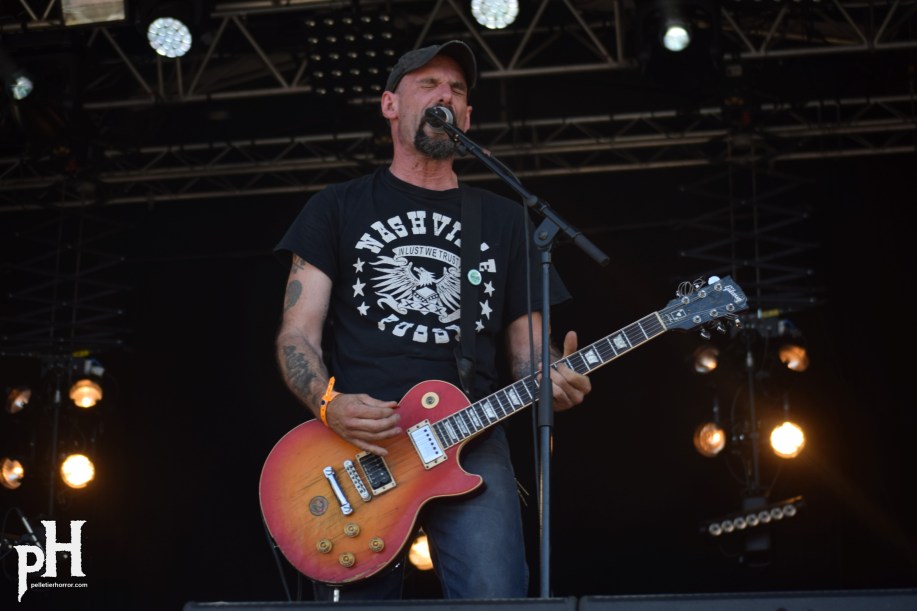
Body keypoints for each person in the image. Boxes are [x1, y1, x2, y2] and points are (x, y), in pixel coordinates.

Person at [274, 39, 592, 601]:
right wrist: (329, 404)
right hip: (359, 441)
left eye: (457, 89)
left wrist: (553, 378)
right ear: (390, 105)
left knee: (495, 594)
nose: (445, 95)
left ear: (467, 118)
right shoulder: (337, 206)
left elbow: (529, 358)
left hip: (472, 434)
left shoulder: (504, 219)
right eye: (428, 84)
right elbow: (297, 333)